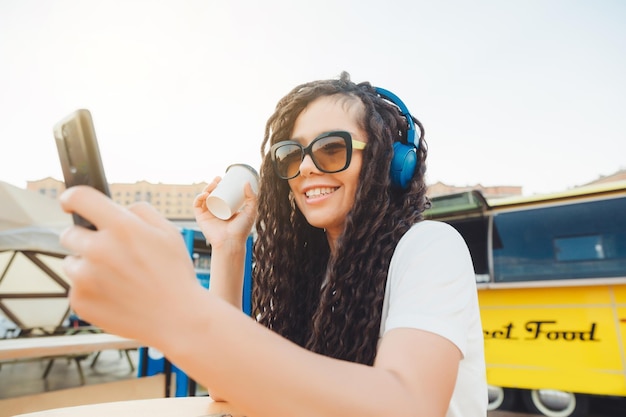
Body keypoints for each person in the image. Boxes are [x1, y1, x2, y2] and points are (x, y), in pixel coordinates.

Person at [59, 71, 487, 417]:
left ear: (389, 162)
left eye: (332, 149)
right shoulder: (312, 278)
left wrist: (179, 309)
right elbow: (228, 388)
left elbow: (408, 406)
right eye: (291, 155)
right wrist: (229, 247)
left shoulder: (430, 248)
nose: (306, 169)